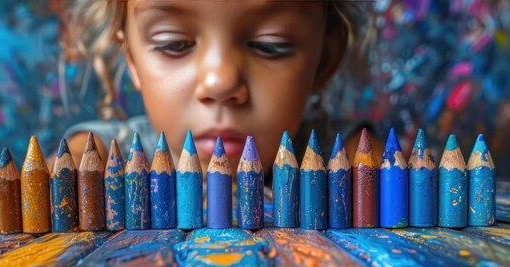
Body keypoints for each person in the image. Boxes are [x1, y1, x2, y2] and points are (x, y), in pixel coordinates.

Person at [61, 0, 380, 179]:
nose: (220, 83)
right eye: (174, 44)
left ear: (324, 60)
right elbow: (78, 158)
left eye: (269, 46)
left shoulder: (344, 153)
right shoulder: (104, 153)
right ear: (131, 58)